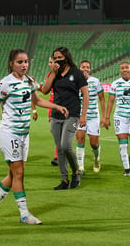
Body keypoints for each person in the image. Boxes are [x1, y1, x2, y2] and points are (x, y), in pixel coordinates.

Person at [0, 48, 68, 224]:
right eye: (20, 62)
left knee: (14, 175)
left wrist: (56, 107)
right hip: (9, 133)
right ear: (11, 63)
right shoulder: (5, 83)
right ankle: (24, 213)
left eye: (26, 61)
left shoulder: (29, 81)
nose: (24, 65)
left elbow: (37, 100)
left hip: (24, 135)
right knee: (19, 173)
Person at [41, 47, 89, 190]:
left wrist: (83, 115)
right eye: (55, 58)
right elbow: (45, 90)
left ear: (66, 58)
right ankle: (64, 179)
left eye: (59, 58)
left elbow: (85, 95)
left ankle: (75, 172)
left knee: (66, 145)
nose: (57, 60)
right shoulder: (54, 74)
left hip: (72, 114)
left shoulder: (76, 73)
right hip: (56, 115)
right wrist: (53, 74)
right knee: (60, 149)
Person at [76, 59, 106, 173]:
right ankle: (80, 167)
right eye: (83, 67)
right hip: (79, 116)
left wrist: (104, 116)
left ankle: (96, 159)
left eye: (87, 67)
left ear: (90, 69)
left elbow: (102, 99)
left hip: (93, 116)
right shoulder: (75, 81)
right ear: (79, 68)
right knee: (80, 138)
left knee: (94, 143)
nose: (85, 69)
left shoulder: (95, 81)